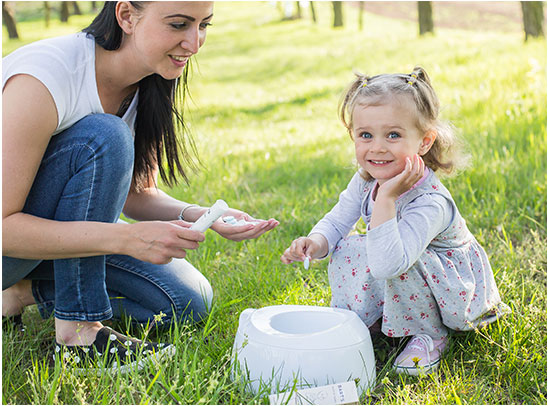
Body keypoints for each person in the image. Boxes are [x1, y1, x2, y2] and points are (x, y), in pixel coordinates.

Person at [2, 1, 278, 373]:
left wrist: (202, 215)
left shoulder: (148, 80)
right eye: (179, 25)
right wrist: (125, 240)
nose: (194, 43)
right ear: (127, 17)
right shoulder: (45, 77)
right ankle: (78, 336)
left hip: (37, 245)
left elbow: (136, 194)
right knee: (103, 135)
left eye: (203, 26)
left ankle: (17, 294)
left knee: (187, 301)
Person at [281, 66, 509, 375]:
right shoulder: (365, 179)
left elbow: (391, 264)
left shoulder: (431, 202)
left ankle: (428, 334)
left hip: (446, 283)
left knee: (398, 258)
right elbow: (337, 221)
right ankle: (365, 319)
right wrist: (315, 242)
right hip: (400, 264)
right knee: (347, 247)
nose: (377, 147)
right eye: (365, 135)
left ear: (424, 141)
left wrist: (386, 199)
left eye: (393, 135)